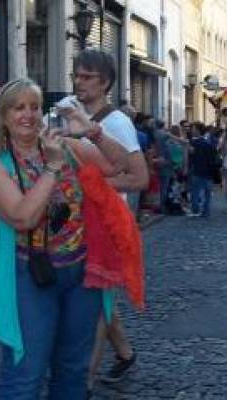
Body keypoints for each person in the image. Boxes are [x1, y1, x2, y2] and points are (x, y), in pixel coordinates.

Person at [0, 78, 129, 399]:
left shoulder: (68, 146)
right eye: (19, 107)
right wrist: (51, 168)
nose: (28, 115)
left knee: (73, 370)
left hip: (81, 275)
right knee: (26, 372)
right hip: (32, 277)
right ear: (4, 116)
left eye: (34, 107)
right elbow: (23, 217)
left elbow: (122, 164)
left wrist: (90, 128)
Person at [58, 49, 149, 393]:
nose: (79, 82)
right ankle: (125, 353)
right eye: (77, 75)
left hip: (106, 224)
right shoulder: (69, 111)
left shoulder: (116, 123)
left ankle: (86, 381)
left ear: (105, 82)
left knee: (95, 299)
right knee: (96, 296)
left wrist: (92, 186)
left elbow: (139, 178)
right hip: (72, 224)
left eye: (87, 77)